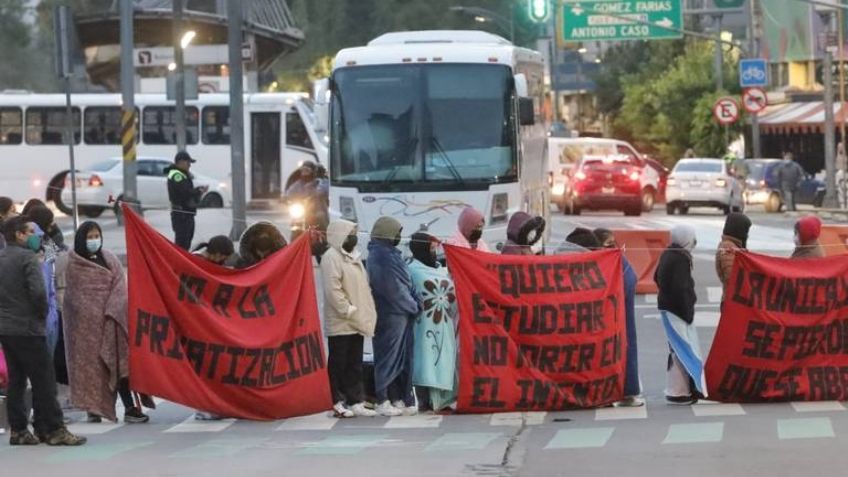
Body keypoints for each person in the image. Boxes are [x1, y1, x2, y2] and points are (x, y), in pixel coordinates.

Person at [0, 216, 86, 445]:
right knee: (44, 380)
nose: (34, 236)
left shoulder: (2, 257)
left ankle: (19, 430)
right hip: (29, 328)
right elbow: (38, 293)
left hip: (7, 329)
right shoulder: (27, 258)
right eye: (29, 232)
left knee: (17, 380)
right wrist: (40, 315)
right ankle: (54, 428)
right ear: (18, 235)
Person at [63, 221, 149, 424]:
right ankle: (93, 408)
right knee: (91, 368)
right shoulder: (74, 263)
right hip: (86, 328)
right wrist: (92, 313)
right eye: (90, 237)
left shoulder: (110, 258)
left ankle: (130, 408)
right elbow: (74, 297)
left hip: (113, 320)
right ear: (81, 239)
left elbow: (121, 285)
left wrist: (113, 309)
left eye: (97, 236)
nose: (94, 240)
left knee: (120, 364)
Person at [320, 220, 378, 418]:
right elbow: (333, 290)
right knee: (338, 362)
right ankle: (336, 400)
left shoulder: (352, 256)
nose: (353, 236)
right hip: (341, 321)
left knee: (354, 362)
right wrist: (348, 310)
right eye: (350, 233)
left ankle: (355, 400)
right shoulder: (331, 257)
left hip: (356, 320)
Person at [367, 216, 421, 417]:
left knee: (403, 358)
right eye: (396, 232)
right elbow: (393, 290)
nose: (399, 236)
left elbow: (407, 284)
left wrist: (415, 302)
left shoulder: (391, 254)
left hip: (403, 315)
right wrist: (413, 305)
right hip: (390, 315)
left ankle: (400, 396)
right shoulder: (380, 257)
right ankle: (383, 398)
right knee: (388, 358)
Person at [408, 232, 457, 412]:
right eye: (431, 248)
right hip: (423, 325)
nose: (434, 252)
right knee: (426, 361)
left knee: (444, 360)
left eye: (435, 248)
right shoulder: (412, 270)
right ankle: (425, 400)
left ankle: (444, 400)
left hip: (444, 323)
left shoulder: (441, 269)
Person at [594, 228, 643, 407]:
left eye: (613, 244)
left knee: (623, 348)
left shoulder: (617, 262)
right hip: (606, 320)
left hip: (618, 318)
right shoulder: (604, 261)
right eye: (607, 245)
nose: (612, 248)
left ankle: (625, 391)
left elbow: (630, 281)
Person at [654, 225, 702, 405]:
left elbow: (656, 277)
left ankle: (679, 389)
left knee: (676, 349)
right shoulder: (680, 259)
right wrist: (688, 310)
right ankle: (679, 392)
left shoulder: (668, 253)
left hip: (668, 309)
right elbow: (682, 289)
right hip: (678, 312)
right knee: (683, 351)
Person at [191, 235, 234, 421]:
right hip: (195, 322)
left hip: (211, 323)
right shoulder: (195, 261)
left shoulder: (211, 263)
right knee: (202, 367)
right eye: (222, 257)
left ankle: (214, 405)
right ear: (215, 253)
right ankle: (202, 407)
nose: (223, 261)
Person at [166, 151, 207, 250]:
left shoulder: (181, 174)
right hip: (182, 215)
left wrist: (198, 191)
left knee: (187, 241)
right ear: (180, 162)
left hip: (186, 213)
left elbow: (187, 191)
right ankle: (178, 265)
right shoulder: (177, 175)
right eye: (188, 162)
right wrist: (198, 191)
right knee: (182, 244)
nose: (189, 165)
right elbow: (185, 192)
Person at [716, 212, 752, 301]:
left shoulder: (733, 246)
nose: (747, 235)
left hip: (734, 299)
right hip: (732, 300)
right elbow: (732, 276)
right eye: (746, 230)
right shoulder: (728, 248)